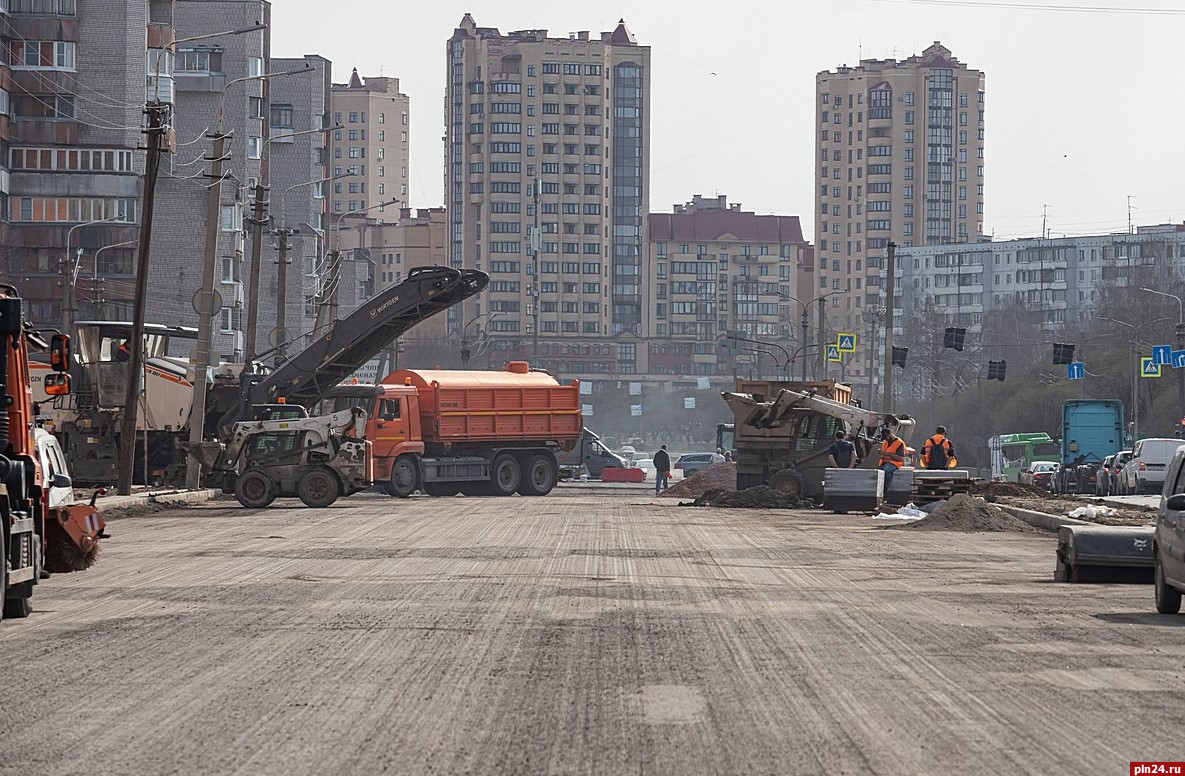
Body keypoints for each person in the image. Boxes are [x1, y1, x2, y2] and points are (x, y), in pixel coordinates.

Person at [878, 427, 906, 493]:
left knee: (886, 471)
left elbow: (900, 457)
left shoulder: (900, 443)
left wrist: (887, 454)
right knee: (879, 473)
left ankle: (885, 491)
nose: (886, 439)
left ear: (890, 434)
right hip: (884, 462)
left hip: (895, 463)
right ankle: (879, 490)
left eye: (886, 437)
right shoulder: (885, 442)